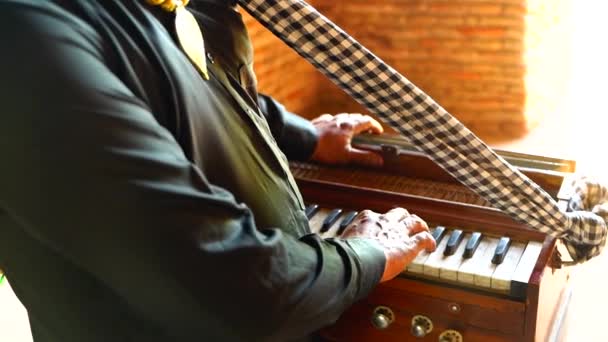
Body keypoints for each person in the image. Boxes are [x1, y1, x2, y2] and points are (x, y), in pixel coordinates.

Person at [0, 0, 436, 341]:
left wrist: (308, 136)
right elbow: (241, 290)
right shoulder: (25, 35)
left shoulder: (165, 10)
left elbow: (198, 81)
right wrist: (366, 252)